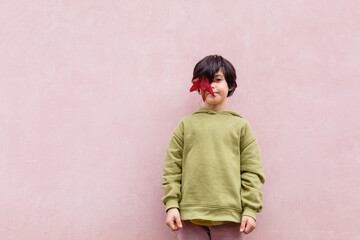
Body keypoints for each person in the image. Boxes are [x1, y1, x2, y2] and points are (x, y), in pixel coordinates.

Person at [161, 55, 265, 240]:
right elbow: (172, 169)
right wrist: (172, 205)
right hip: (190, 217)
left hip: (231, 218)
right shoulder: (186, 125)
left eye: (218, 80)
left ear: (230, 85)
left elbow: (252, 171)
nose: (212, 86)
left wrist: (250, 209)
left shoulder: (241, 127)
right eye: (205, 81)